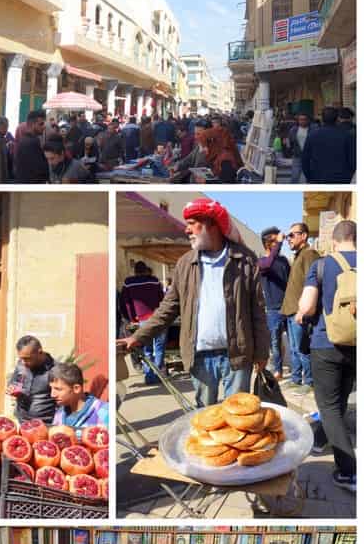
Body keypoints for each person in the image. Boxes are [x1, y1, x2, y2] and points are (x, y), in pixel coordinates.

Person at [118, 198, 268, 407]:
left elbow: (257, 311)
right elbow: (167, 309)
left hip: (238, 355)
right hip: (199, 357)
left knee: (238, 416)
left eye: (192, 223)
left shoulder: (244, 259)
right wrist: (138, 337)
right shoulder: (185, 264)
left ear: (212, 224)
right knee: (205, 418)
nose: (187, 230)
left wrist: (262, 352)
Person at [297, 220, 356, 490]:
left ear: (334, 241)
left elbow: (308, 306)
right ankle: (323, 439)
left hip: (327, 342)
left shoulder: (321, 265)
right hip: (356, 343)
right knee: (340, 399)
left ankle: (348, 471)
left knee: (328, 406)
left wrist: (300, 313)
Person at [277, 222, 320, 389]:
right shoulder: (298, 256)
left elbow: (313, 284)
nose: (289, 239)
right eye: (288, 236)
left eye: (292, 235)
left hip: (299, 312)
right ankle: (296, 379)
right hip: (290, 311)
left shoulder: (310, 254)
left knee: (303, 349)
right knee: (294, 349)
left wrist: (303, 311)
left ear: (304, 236)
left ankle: (309, 382)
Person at [119, 262, 167, 385]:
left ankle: (149, 377)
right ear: (146, 270)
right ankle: (159, 375)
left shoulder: (128, 282)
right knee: (159, 348)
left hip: (142, 320)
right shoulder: (154, 281)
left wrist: (131, 318)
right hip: (158, 318)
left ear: (134, 271)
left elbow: (126, 303)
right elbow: (163, 299)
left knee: (147, 349)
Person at [5, 335, 57, 423]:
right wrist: (12, 388)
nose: (24, 362)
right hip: (20, 420)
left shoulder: (55, 370)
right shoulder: (21, 364)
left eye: (27, 359)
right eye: (21, 358)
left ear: (39, 352)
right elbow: (13, 382)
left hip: (44, 423)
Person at [301, 106, 356, 184]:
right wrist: (348, 175)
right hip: (341, 178)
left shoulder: (312, 135)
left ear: (322, 119)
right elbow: (352, 159)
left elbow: (305, 159)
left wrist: (310, 177)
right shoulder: (347, 135)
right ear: (337, 118)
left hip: (318, 177)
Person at [49, 362, 109, 429]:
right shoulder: (59, 414)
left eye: (58, 389)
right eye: (51, 388)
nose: (52, 395)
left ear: (76, 388)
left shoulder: (104, 412)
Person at [14, 111, 48, 183]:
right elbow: (37, 170)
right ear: (32, 124)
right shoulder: (31, 142)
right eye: (41, 124)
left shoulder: (25, 139)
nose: (44, 126)